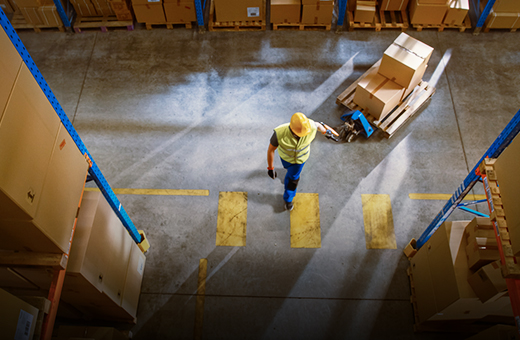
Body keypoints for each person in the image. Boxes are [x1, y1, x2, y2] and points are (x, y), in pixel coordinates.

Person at [267, 112, 332, 211]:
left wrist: (325, 132)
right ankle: (288, 175)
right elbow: (271, 150)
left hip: (300, 161)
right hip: (286, 159)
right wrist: (270, 168)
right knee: (289, 172)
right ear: (292, 129)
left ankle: (288, 199)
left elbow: (318, 125)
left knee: (293, 180)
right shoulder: (279, 133)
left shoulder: (310, 126)